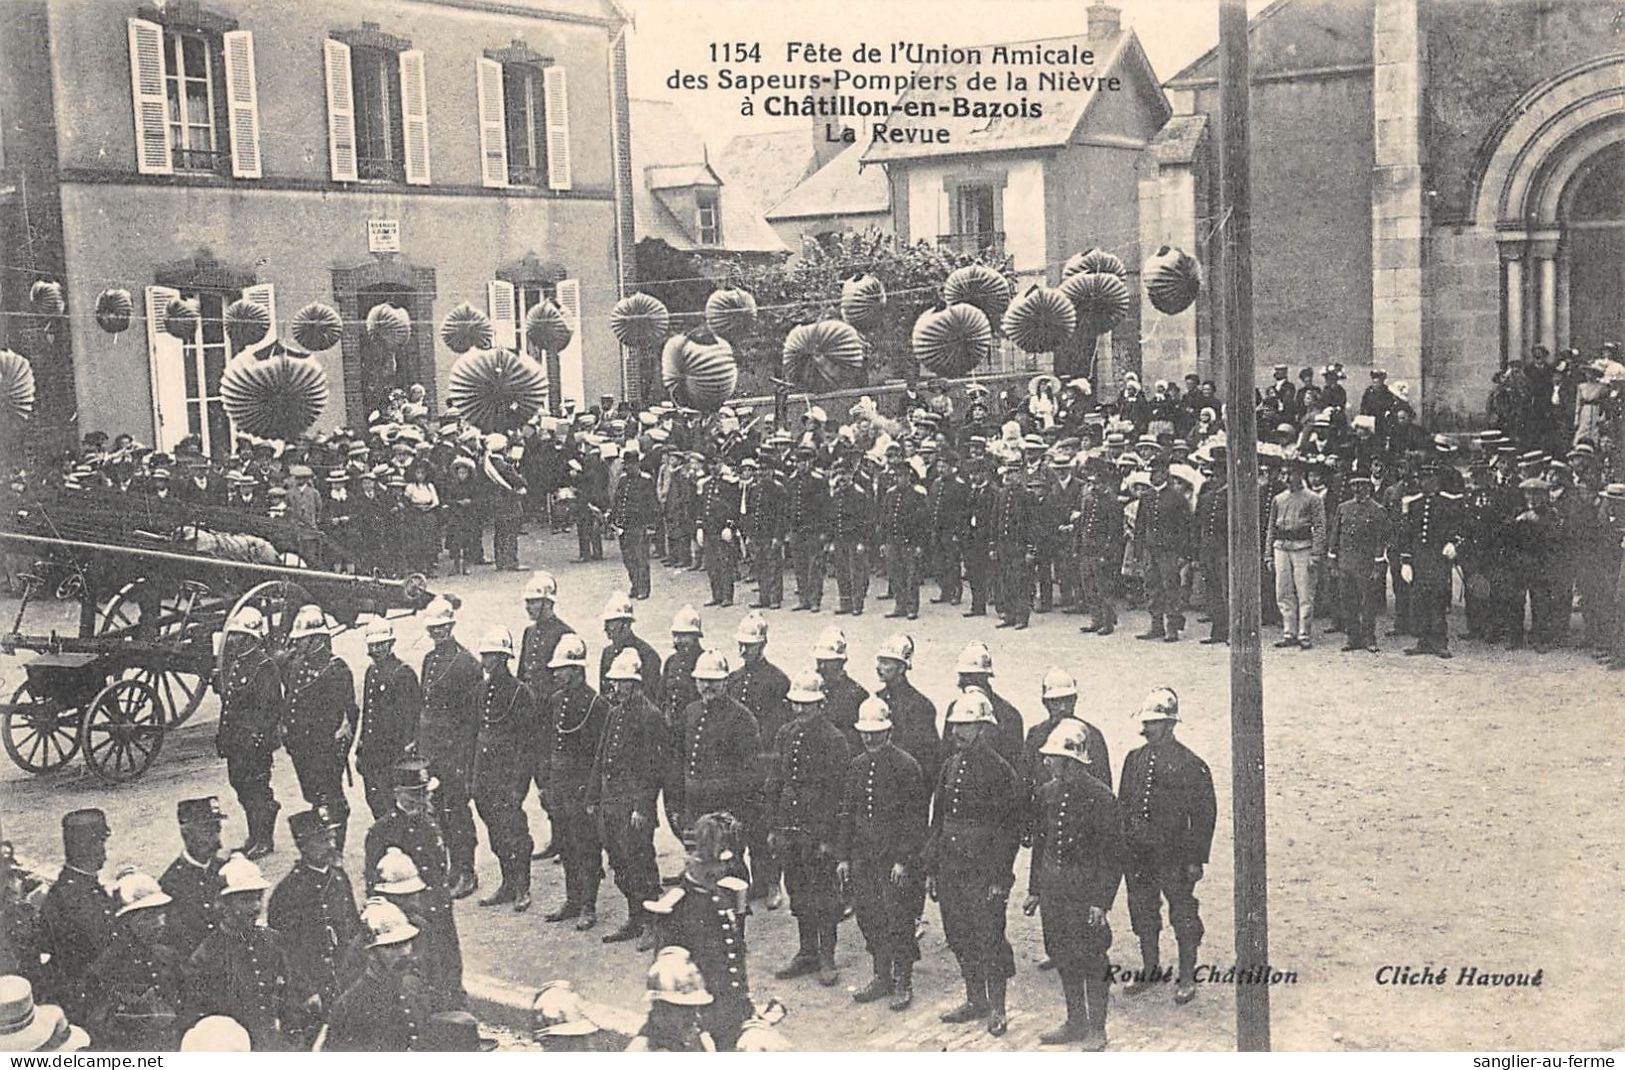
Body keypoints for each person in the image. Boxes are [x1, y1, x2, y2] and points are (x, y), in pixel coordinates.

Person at [1023, 720, 1125, 1050]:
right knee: (1062, 954)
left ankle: (1097, 1027)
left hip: (1085, 896)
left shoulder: (1102, 798)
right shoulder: (1047, 794)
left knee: (1093, 958)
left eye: (1052, 757)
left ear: (1071, 760)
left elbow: (1112, 856)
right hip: (1054, 891)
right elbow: (1042, 845)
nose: (1046, 762)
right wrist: (1035, 889)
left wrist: (1101, 901)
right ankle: (1075, 1021)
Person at [926, 690, 1021, 1037]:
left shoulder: (1000, 772)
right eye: (955, 726)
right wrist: (932, 868)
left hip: (983, 872)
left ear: (984, 729)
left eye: (966, 727)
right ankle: (975, 999)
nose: (957, 733)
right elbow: (939, 820)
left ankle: (997, 1006)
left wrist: (999, 878)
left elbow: (1008, 831)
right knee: (959, 934)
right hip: (951, 868)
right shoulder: (950, 766)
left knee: (989, 937)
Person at [1118, 688, 1216, 1006]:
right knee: (1143, 910)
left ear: (1171, 725)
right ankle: (1151, 968)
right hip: (1139, 854)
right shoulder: (1134, 759)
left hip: (1173, 854)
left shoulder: (1191, 764)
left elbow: (1203, 817)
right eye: (1146, 722)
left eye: (1154, 723)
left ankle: (1187, 975)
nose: (1146, 729)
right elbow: (1125, 805)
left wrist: (1195, 858)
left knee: (1183, 914)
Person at [836, 697, 929, 1011]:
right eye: (865, 732)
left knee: (898, 919)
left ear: (889, 732)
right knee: (869, 916)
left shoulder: (907, 766)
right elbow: (848, 814)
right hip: (864, 858)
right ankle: (881, 975)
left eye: (876, 733)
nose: (869, 738)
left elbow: (916, 820)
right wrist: (844, 857)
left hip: (894, 863)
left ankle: (903, 979)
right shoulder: (857, 766)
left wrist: (903, 860)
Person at [765, 670, 849, 987]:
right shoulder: (785, 734)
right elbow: (774, 782)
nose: (801, 712)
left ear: (821, 705)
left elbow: (840, 795)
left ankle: (826, 955)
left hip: (819, 829)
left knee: (824, 895)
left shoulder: (834, 739)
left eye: (808, 705)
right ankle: (806, 951)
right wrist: (774, 827)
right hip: (790, 826)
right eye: (796, 705)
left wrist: (831, 840)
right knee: (798, 890)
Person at [643, 816, 753, 1050]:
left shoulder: (725, 892)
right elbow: (667, 980)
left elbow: (733, 961)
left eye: (720, 863)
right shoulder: (676, 908)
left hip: (731, 1012)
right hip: (697, 1019)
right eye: (709, 864)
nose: (718, 870)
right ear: (690, 861)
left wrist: (745, 1008)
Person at [184, 854, 314, 1050]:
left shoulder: (273, 941)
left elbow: (291, 998)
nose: (255, 907)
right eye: (245, 900)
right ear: (223, 904)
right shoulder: (206, 957)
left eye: (258, 898)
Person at [586, 648, 668, 948]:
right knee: (619, 863)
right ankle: (635, 917)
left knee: (641, 863)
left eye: (622, 682)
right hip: (611, 801)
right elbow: (601, 755)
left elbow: (653, 768)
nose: (615, 687)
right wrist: (593, 795)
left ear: (635, 683)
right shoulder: (614, 712)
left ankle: (651, 923)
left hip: (633, 806)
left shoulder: (650, 716)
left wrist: (642, 807)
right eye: (614, 682)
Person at [541, 633, 609, 929]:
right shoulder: (557, 700)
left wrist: (593, 794)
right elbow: (547, 744)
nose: (557, 673)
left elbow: (600, 755)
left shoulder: (596, 704)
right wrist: (546, 783)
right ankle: (572, 899)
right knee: (566, 844)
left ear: (577, 670)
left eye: (563, 668)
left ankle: (588, 905)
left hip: (581, 785)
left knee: (586, 846)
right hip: (560, 784)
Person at [725, 611, 791, 906]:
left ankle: (773, 884)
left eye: (748, 646)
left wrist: (772, 768)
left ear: (762, 645)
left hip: (765, 764)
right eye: (740, 645)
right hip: (741, 766)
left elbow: (778, 729)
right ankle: (754, 882)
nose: (742, 651)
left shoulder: (777, 680)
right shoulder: (734, 680)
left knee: (766, 829)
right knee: (743, 826)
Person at [415, 607, 482, 899]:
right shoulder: (429, 660)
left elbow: (473, 718)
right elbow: (424, 706)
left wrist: (465, 758)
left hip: (455, 751)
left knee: (457, 813)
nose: (436, 632)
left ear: (451, 626)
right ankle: (451, 869)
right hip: (433, 750)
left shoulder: (466, 663)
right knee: (438, 812)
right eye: (432, 628)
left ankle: (466, 870)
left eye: (441, 627)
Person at [471, 627, 538, 911]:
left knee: (514, 831)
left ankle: (522, 886)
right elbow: (476, 732)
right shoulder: (482, 690)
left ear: (502, 658)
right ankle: (508, 883)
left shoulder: (519, 693)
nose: (484, 661)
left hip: (507, 773)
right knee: (495, 831)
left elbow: (527, 745)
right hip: (485, 773)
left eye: (489, 656)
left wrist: (518, 785)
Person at [266, 809, 360, 1012]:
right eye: (323, 840)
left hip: (347, 977)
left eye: (332, 838)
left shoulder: (338, 877)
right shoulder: (287, 891)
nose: (332, 846)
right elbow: (284, 949)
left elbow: (353, 925)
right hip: (316, 985)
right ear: (304, 845)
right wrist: (305, 990)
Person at [283, 607, 358, 851]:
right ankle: (323, 843)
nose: (298, 644)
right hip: (302, 747)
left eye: (302, 640)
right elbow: (291, 701)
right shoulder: (297, 665)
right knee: (314, 796)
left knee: (331, 799)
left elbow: (349, 716)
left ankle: (336, 846)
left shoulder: (336, 669)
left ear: (316, 639)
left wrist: (340, 751)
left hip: (325, 748)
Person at [86, 870, 184, 1051]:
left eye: (161, 914)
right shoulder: (106, 969)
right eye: (149, 917)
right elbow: (101, 1028)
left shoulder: (168, 957)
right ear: (126, 922)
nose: (160, 923)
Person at [216, 608, 285, 859]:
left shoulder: (264, 666)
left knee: (256, 788)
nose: (232, 640)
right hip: (237, 741)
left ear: (250, 638)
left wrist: (259, 737)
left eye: (238, 635)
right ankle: (254, 836)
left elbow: (270, 708)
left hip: (253, 743)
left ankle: (264, 839)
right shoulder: (239, 663)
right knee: (241, 787)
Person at [33, 810, 115, 1018]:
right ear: (87, 848)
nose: (104, 851)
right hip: (91, 1003)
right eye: (100, 843)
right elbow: (102, 947)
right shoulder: (74, 899)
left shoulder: (74, 887)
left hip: (87, 990)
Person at [323, 900, 434, 1052]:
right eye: (393, 946)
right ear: (370, 953)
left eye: (407, 942)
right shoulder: (350, 1006)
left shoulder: (414, 986)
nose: (405, 952)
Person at [517, 571, 573, 861]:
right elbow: (522, 675)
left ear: (548, 602)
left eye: (534, 602)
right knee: (542, 781)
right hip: (532, 721)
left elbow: (568, 682)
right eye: (527, 602)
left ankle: (567, 839)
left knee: (557, 783)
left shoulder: (563, 633)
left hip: (553, 720)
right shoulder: (529, 633)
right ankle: (556, 836)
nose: (528, 608)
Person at [676, 651, 760, 836]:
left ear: (725, 682)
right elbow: (678, 760)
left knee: (726, 861)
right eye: (702, 680)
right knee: (695, 859)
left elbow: (750, 773)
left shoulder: (741, 718)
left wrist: (739, 813)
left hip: (724, 808)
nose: (707, 686)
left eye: (713, 681)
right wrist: (676, 804)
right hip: (693, 807)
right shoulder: (690, 712)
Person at [357, 620, 422, 821]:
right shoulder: (372, 672)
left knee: (394, 804)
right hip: (372, 753)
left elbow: (412, 717)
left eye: (380, 644)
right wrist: (361, 747)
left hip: (392, 754)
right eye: (372, 645)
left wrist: (406, 751)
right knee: (374, 799)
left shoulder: (403, 673)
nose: (376, 649)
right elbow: (368, 714)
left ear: (391, 643)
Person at [1399, 461, 1465, 658]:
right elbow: (1408, 534)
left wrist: (1453, 544)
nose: (1428, 482)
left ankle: (1439, 641)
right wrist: (1406, 561)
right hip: (1420, 558)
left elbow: (1458, 527)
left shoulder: (1448, 502)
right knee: (1419, 598)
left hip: (1438, 557)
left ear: (1438, 481)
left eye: (1432, 479)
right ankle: (1423, 640)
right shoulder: (1414, 503)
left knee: (1438, 597)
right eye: (1424, 479)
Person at [1267, 458, 1329, 650]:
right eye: (1283, 474)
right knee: (1283, 591)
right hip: (1281, 548)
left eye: (1290, 474)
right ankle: (1289, 632)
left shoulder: (1313, 498)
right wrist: (1268, 554)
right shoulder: (1278, 499)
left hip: (1303, 547)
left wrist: (1316, 554)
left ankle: (1304, 633)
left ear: (1300, 474)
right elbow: (1271, 528)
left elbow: (1319, 527)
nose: (1286, 478)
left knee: (1305, 592)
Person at [1136, 456, 1194, 643]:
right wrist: (1139, 549)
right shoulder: (1146, 497)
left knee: (1171, 587)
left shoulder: (1177, 498)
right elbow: (1140, 525)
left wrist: (1184, 554)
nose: (1153, 476)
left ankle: (1172, 626)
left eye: (1157, 472)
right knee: (1152, 586)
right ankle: (1156, 625)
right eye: (1151, 473)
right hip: (1151, 549)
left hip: (1169, 551)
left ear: (1165, 474)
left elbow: (1185, 528)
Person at [160, 798, 226, 959]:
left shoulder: (226, 869)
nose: (217, 841)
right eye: (207, 832)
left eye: (217, 829)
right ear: (186, 835)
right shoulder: (170, 884)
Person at [1330, 475, 1389, 652]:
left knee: (1368, 602)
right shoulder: (1343, 508)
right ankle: (1352, 637)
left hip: (1366, 563)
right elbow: (1335, 535)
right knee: (1348, 601)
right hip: (1346, 563)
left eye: (1361, 485)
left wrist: (1378, 565)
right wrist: (1333, 560)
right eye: (1354, 485)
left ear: (1368, 487)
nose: (1357, 489)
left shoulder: (1377, 510)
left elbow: (1381, 539)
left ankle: (1369, 637)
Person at [872, 633, 940, 783]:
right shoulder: (877, 699)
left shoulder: (920, 706)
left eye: (885, 663)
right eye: (879, 661)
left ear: (901, 668)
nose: (878, 667)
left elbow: (929, 759)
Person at [624, 948, 718, 1052]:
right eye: (686, 1012)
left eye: (697, 1010)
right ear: (661, 1014)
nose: (696, 1017)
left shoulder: (701, 1041)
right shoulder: (642, 1049)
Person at [952, 641, 1023, 769]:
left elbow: (1014, 763)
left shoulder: (1009, 714)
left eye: (969, 677)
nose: (961, 682)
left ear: (984, 677)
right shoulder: (954, 708)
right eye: (963, 676)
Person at [608, 441, 659, 599]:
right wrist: (613, 519)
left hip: (640, 525)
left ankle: (643, 588)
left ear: (637, 465)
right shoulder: (623, 481)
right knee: (628, 558)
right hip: (624, 525)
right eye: (626, 465)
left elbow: (653, 504)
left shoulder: (646, 481)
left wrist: (651, 525)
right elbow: (618, 501)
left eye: (631, 465)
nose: (628, 468)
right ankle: (635, 585)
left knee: (641, 558)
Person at [993, 462, 1039, 629]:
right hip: (1004, 545)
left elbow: (1033, 524)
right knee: (1006, 581)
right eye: (1008, 472)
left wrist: (1030, 549)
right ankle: (1009, 615)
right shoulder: (1002, 493)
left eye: (1013, 472)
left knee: (1021, 582)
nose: (1010, 476)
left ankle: (1021, 617)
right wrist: (994, 545)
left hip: (1020, 546)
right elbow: (996, 520)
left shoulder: (1027, 495)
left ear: (1021, 474)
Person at [1193, 446, 1229, 643]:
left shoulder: (1235, 493)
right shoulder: (1207, 493)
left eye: (1221, 471)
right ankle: (1218, 630)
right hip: (1208, 547)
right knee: (1212, 589)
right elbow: (1198, 522)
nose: (1216, 476)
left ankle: (1232, 630)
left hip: (1225, 548)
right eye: (1215, 471)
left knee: (1227, 590)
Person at [787, 444, 830, 611]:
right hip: (797, 529)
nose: (801, 465)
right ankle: (803, 599)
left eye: (804, 461)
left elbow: (825, 508)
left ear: (811, 462)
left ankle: (814, 600)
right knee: (800, 566)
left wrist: (824, 532)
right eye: (798, 461)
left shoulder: (818, 481)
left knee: (815, 566)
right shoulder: (792, 480)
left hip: (813, 529)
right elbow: (788, 506)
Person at [597, 593, 661, 699]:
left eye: (611, 623)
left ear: (626, 624)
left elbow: (651, 697)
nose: (606, 628)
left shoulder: (647, 655)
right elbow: (603, 693)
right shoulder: (607, 653)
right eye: (606, 623)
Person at [483, 433, 527, 570]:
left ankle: (500, 562)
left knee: (500, 532)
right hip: (508, 500)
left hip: (496, 501)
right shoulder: (503, 465)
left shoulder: (488, 461)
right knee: (511, 532)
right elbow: (519, 481)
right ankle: (511, 562)